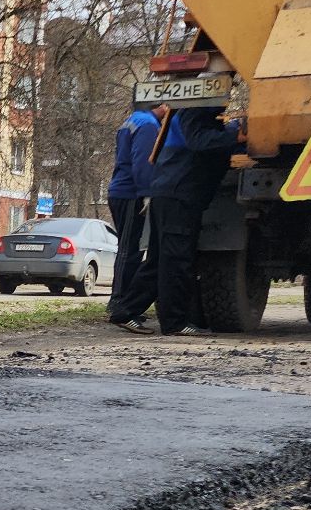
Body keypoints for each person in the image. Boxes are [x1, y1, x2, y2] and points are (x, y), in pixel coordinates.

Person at [142, 106, 244, 336]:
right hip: (179, 195)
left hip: (171, 193)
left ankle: (128, 311)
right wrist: (233, 134)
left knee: (164, 259)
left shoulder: (188, 114)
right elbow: (200, 141)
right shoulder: (195, 109)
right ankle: (175, 323)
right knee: (176, 260)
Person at [104, 104, 166, 327]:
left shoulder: (133, 120)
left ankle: (122, 301)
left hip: (122, 191)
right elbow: (143, 161)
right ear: (161, 105)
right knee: (129, 250)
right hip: (131, 193)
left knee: (129, 249)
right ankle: (119, 302)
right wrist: (147, 192)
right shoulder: (148, 125)